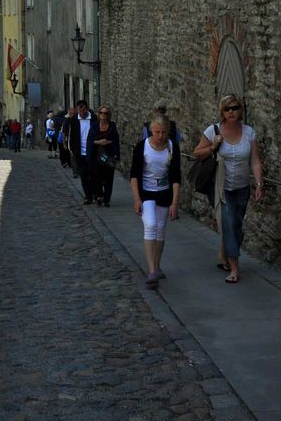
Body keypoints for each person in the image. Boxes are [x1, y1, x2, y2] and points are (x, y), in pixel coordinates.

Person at [192, 95, 265, 284]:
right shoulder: (213, 130)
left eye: (235, 108)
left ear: (241, 110)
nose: (231, 111)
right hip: (220, 188)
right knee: (229, 223)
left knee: (236, 226)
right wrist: (213, 146)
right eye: (227, 109)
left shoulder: (249, 133)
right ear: (222, 112)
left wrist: (259, 184)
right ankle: (234, 268)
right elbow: (197, 153)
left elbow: (255, 160)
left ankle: (224, 255)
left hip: (242, 188)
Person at [129, 115, 181, 289]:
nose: (160, 135)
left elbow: (175, 177)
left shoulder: (172, 147)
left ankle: (157, 266)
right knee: (150, 225)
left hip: (164, 193)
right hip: (147, 193)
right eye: (157, 132)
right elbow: (134, 175)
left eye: (164, 132)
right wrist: (137, 199)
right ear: (151, 130)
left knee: (160, 230)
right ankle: (151, 270)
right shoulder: (141, 147)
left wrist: (175, 202)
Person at [91, 105, 121, 207]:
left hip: (109, 155)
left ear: (109, 115)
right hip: (97, 155)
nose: (103, 115)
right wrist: (99, 142)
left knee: (108, 178)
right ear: (98, 114)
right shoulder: (94, 125)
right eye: (101, 113)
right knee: (96, 177)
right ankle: (99, 195)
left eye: (105, 113)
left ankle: (106, 199)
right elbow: (90, 140)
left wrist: (116, 154)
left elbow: (116, 140)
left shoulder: (112, 125)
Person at [67, 101, 96, 202]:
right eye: (80, 109)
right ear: (77, 109)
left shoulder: (93, 119)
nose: (82, 111)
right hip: (79, 152)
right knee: (83, 175)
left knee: (92, 174)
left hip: (91, 152)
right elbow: (71, 136)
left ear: (87, 108)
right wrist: (72, 150)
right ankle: (88, 196)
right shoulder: (74, 120)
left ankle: (94, 193)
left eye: (84, 109)